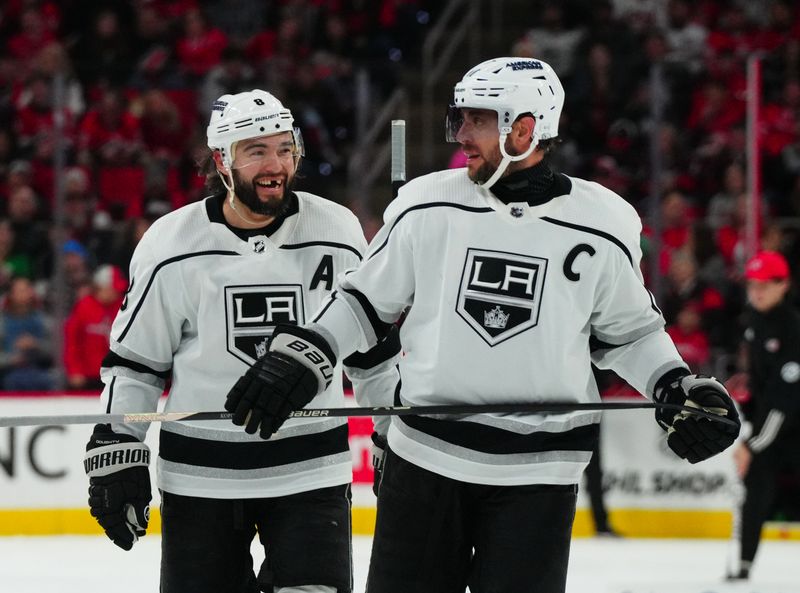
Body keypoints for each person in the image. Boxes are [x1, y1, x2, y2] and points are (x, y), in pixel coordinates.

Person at [223, 58, 741, 593]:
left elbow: (629, 332)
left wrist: (675, 384)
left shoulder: (603, 221)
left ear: (525, 128)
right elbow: (364, 302)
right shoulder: (425, 203)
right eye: (460, 118)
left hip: (538, 478)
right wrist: (309, 351)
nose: (461, 134)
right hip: (424, 462)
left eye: (477, 120)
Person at [82, 89, 400, 593]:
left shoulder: (336, 229)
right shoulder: (171, 243)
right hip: (199, 481)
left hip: (310, 473)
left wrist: (391, 432)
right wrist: (119, 442)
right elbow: (136, 365)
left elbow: (371, 354)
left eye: (284, 148)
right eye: (256, 150)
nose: (276, 164)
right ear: (222, 162)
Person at [726, 251, 800, 581]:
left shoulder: (793, 329)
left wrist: (752, 445)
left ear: (783, 285)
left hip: (792, 427)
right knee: (754, 489)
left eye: (764, 286)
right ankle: (742, 564)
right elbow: (761, 388)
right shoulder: (753, 323)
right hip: (772, 426)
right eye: (752, 285)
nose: (756, 292)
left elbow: (785, 399)